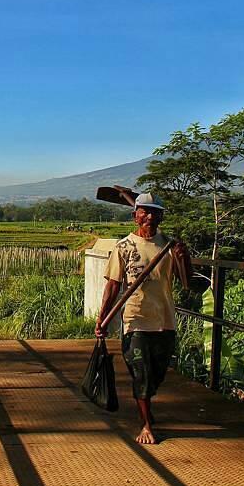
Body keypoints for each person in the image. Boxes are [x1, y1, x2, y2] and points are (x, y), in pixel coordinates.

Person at [94, 190, 190, 444]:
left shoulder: (169, 246)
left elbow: (187, 282)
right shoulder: (123, 247)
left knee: (157, 375)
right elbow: (113, 286)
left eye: (154, 212)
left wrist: (185, 258)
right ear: (135, 215)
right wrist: (102, 318)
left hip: (164, 321)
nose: (149, 216)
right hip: (135, 321)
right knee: (141, 374)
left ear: (161, 217)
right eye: (144, 211)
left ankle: (146, 406)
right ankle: (146, 424)